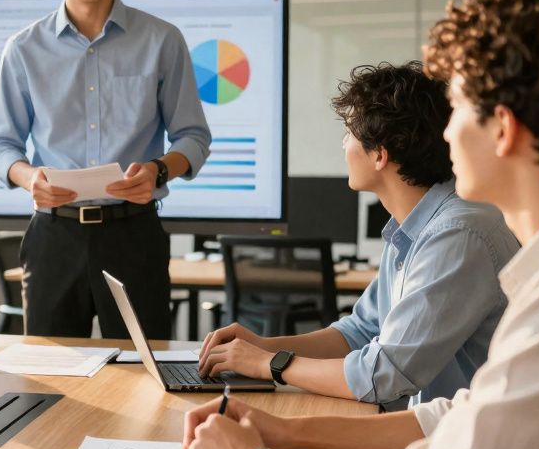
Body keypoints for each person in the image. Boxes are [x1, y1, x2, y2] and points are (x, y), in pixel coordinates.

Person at [182, 0, 539, 449]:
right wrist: (282, 434)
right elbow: (458, 415)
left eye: (460, 109)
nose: (444, 134)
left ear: (504, 126)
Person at [197, 61, 518, 409]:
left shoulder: (457, 234)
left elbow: (384, 374)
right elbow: (359, 332)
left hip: (463, 445)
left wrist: (269, 365)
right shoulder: (413, 228)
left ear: (380, 153)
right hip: (425, 432)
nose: (344, 146)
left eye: (349, 133)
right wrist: (263, 347)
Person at [0, 0, 211, 339]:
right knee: (48, 380)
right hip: (55, 237)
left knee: (143, 382)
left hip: (134, 236)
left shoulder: (162, 40)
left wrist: (159, 169)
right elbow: (0, 146)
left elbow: (192, 137)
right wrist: (29, 178)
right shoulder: (23, 49)